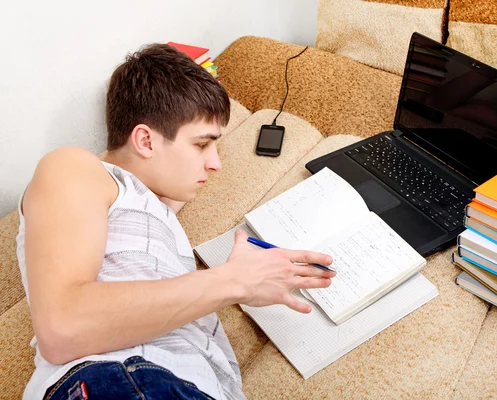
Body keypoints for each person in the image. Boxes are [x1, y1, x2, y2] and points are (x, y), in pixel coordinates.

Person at [16, 43, 335, 400]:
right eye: (202, 145)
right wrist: (233, 281)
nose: (216, 163)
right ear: (145, 140)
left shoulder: (154, 201)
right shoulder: (75, 169)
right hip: (124, 377)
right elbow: (63, 328)